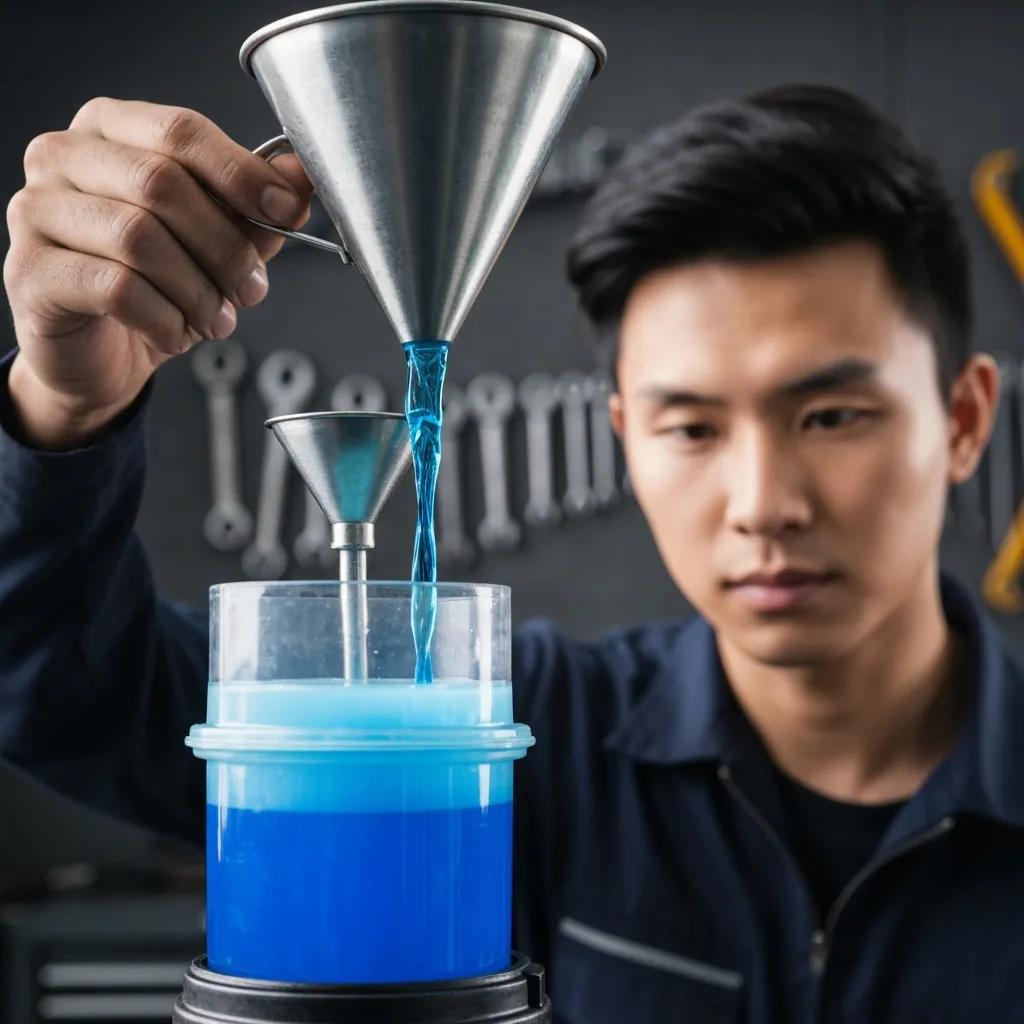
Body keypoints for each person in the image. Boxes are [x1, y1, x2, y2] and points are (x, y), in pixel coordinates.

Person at [2, 84, 1022, 1023]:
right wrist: (66, 406)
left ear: (965, 419)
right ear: (624, 437)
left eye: (832, 415)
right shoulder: (521, 741)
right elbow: (65, 692)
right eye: (691, 427)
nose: (763, 505)